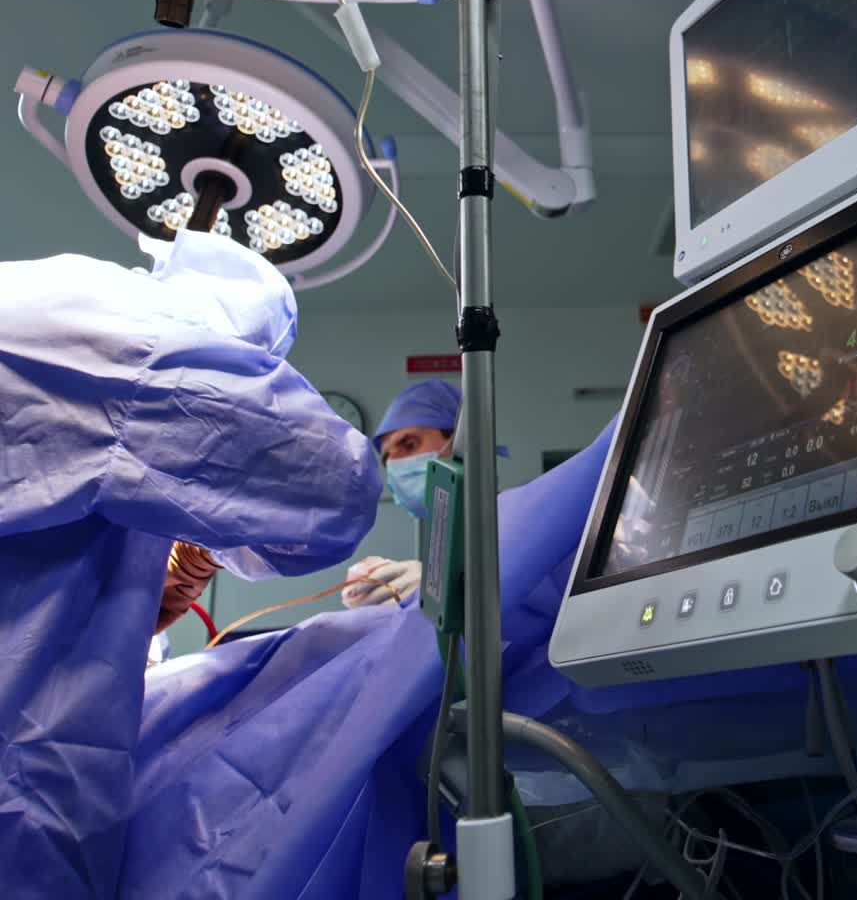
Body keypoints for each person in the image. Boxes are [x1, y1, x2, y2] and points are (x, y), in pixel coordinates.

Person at [0, 229, 382, 897]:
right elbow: (336, 489)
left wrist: (126, 600)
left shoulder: (34, 301)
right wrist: (208, 537)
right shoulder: (139, 340)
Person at [343, 379, 506, 607]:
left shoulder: (520, 519)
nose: (395, 463)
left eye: (409, 444)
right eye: (387, 459)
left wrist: (452, 592)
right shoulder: (448, 542)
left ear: (461, 443)